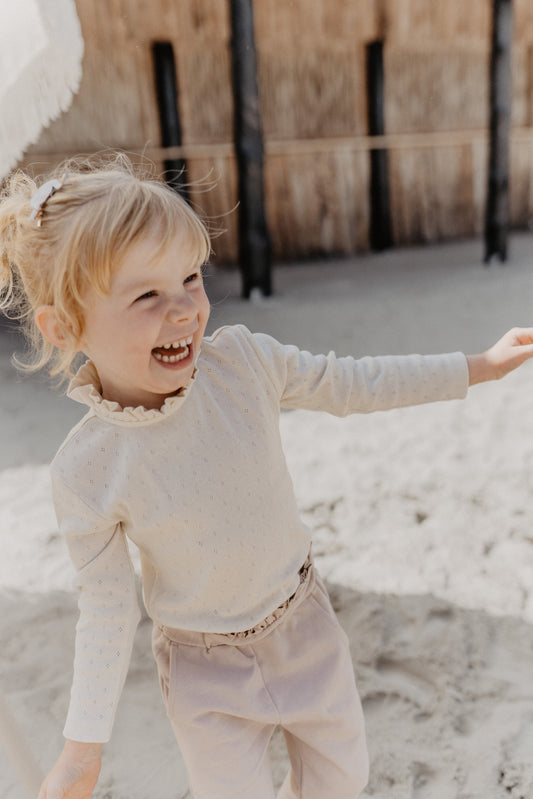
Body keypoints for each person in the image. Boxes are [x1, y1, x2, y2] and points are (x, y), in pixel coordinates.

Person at [1, 155, 532, 799]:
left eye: (191, 278)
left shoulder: (244, 363)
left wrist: (476, 365)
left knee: (342, 780)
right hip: (203, 674)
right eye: (146, 294)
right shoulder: (86, 471)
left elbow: (353, 382)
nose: (184, 311)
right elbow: (107, 611)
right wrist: (82, 754)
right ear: (67, 326)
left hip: (303, 626)